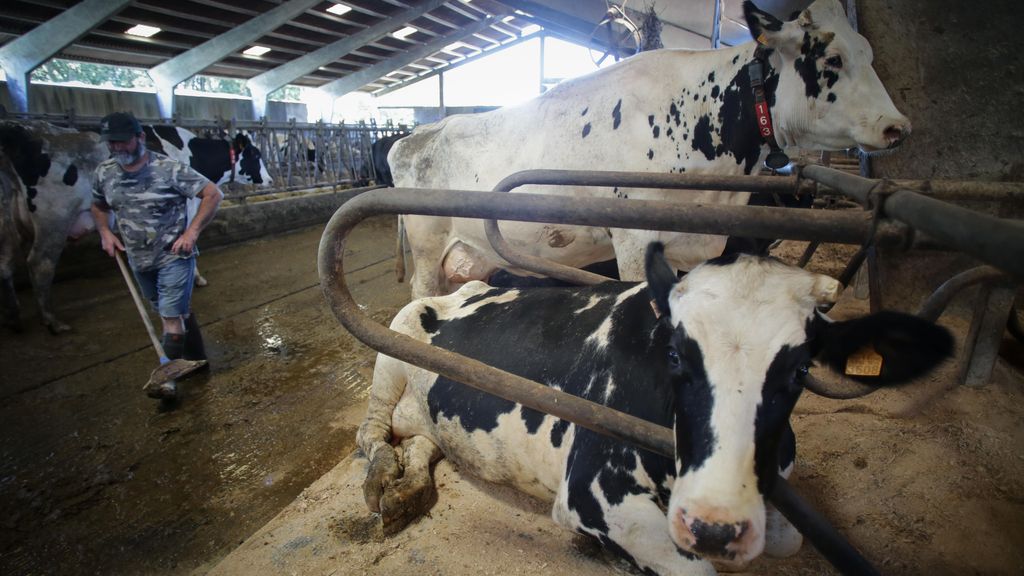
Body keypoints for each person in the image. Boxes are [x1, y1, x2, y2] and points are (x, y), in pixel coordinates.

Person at [90, 111, 223, 399]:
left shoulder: (168, 168)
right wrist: (105, 232)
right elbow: (99, 205)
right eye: (111, 143)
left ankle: (166, 380)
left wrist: (191, 233)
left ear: (139, 137)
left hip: (174, 255)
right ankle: (198, 362)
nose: (117, 148)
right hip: (137, 259)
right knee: (177, 311)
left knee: (170, 317)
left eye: (123, 141)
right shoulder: (104, 173)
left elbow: (212, 194)